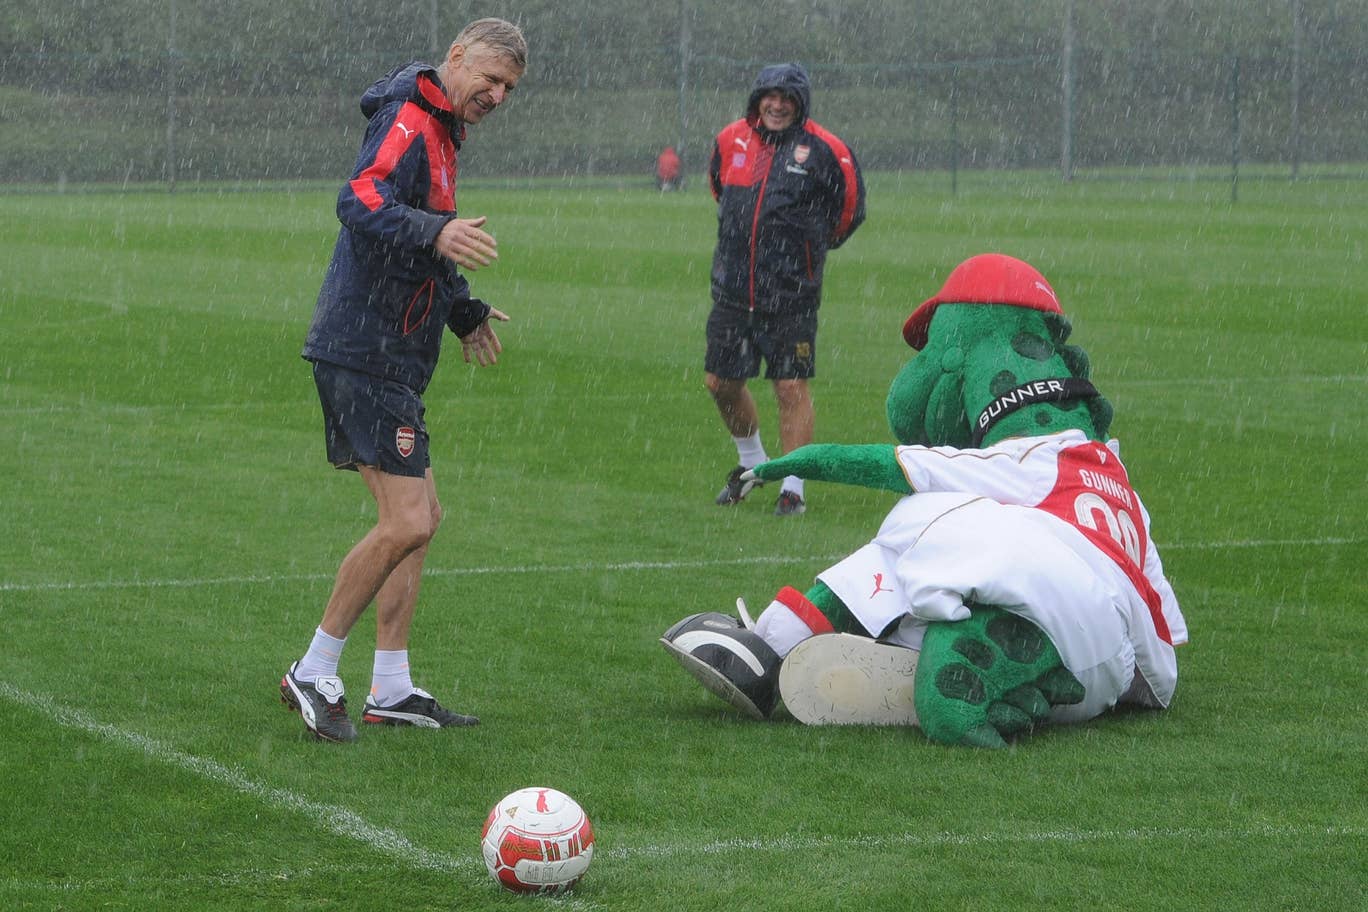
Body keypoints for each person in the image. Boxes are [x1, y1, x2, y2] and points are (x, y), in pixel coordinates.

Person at [279, 18, 528, 743]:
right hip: (365, 348)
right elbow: (359, 198)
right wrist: (435, 231)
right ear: (456, 57)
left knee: (423, 519)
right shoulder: (412, 118)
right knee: (408, 519)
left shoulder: (443, 133)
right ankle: (315, 666)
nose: (498, 94)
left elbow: (422, 241)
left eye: (509, 88)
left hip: (387, 352)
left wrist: (464, 309)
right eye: (489, 77)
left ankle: (391, 686)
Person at [704, 62, 866, 516]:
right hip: (733, 290)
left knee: (790, 386)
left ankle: (793, 487)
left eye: (787, 98)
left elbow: (849, 211)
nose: (776, 105)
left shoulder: (826, 150)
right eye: (768, 96)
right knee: (720, 382)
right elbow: (721, 192)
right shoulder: (729, 139)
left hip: (791, 295)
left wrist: (805, 254)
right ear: (757, 100)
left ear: (801, 103)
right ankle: (753, 463)